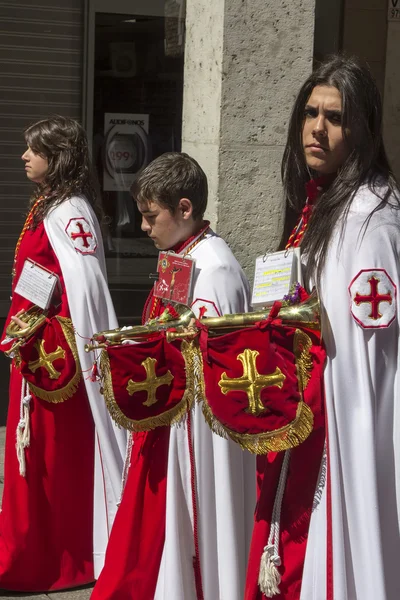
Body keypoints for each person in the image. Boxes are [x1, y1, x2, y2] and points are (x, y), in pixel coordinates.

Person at [245, 56, 400, 599]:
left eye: (334, 117)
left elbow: (366, 362)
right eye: (310, 113)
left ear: (361, 128)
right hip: (303, 411)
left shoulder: (369, 220)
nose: (316, 128)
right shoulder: (322, 201)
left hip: (334, 425)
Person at [92, 152, 256, 600]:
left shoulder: (216, 268)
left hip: (196, 430)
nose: (144, 227)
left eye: (151, 216)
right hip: (171, 418)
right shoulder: (183, 252)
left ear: (185, 209)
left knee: (190, 531)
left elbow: (211, 360)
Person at [0, 116, 127, 592]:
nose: (24, 157)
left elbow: (85, 289)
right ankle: (30, 552)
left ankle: (53, 559)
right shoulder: (49, 205)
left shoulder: (69, 212)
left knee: (51, 462)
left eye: (33, 149)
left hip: (57, 366)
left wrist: (45, 335)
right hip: (34, 352)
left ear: (56, 158)